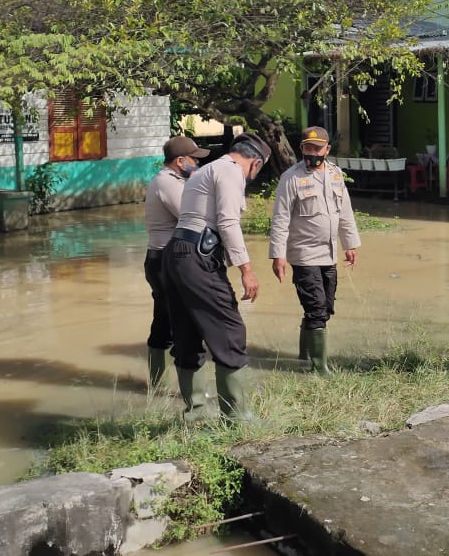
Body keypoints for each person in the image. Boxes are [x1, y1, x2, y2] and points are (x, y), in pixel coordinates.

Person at [164, 131, 271, 422]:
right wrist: (246, 270)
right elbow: (227, 221)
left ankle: (196, 413)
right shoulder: (231, 171)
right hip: (198, 255)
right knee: (230, 328)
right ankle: (237, 417)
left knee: (187, 332)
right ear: (256, 164)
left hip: (175, 253)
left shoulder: (204, 171)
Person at [269, 125, 360, 375]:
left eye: (317, 148)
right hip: (303, 253)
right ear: (301, 149)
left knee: (325, 307)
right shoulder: (291, 178)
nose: (312, 152)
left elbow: (345, 212)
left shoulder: (336, 175)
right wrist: (278, 255)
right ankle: (319, 368)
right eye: (307, 147)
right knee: (317, 309)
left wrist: (350, 244)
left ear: (327, 150)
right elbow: (280, 219)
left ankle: (305, 357)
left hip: (328, 253)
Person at [143, 135, 210, 388]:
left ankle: (157, 386)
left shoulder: (174, 180)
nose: (198, 164)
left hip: (164, 258)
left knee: (165, 321)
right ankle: (187, 391)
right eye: (194, 159)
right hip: (166, 260)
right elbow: (192, 215)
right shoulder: (167, 182)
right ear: (180, 161)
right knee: (180, 321)